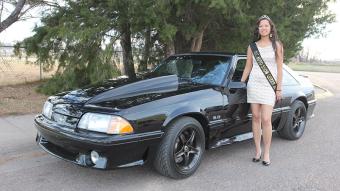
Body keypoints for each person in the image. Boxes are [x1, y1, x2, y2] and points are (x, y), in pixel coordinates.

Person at [240, 15, 283, 166]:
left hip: (268, 87)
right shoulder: (252, 47)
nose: (263, 28)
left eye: (266, 25)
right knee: (256, 118)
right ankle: (257, 150)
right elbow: (248, 66)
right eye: (261, 26)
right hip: (254, 85)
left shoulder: (277, 46)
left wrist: (278, 88)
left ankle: (266, 153)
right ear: (258, 29)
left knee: (266, 119)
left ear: (271, 28)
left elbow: (279, 69)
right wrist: (241, 82)